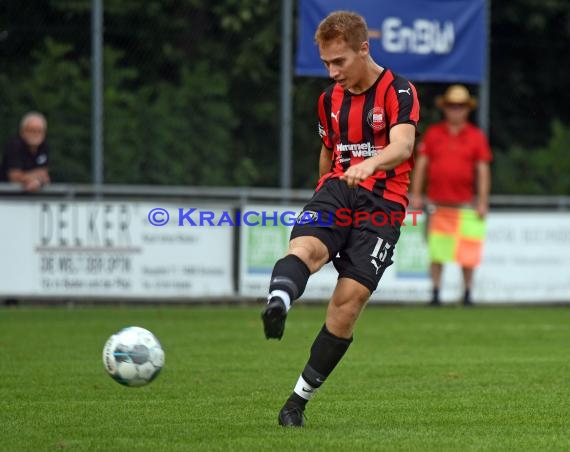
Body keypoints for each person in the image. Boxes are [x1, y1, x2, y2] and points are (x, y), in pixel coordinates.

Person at [260, 11, 420, 427]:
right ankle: (278, 299)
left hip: (383, 208)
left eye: (340, 62)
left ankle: (296, 402)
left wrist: (371, 165)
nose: (333, 72)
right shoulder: (329, 100)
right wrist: (320, 193)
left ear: (363, 49)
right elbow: (328, 151)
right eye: (327, 63)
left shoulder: (399, 90)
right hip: (337, 191)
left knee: (347, 305)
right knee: (305, 249)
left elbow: (402, 147)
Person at [411, 85, 492, 307]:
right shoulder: (434, 134)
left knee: (468, 250)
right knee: (437, 250)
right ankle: (436, 292)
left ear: (467, 109)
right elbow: (422, 165)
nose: (456, 110)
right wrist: (416, 194)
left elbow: (482, 170)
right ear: (445, 108)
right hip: (436, 203)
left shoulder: (476, 136)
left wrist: (483, 201)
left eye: (460, 106)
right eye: (452, 106)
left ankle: (467, 293)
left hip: (465, 204)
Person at [1, 111, 50, 192]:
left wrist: (37, 181)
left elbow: (45, 176)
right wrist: (33, 178)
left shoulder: (44, 147)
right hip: (6, 195)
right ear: (22, 132)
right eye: (32, 130)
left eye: (39, 131)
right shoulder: (15, 146)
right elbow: (14, 177)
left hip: (31, 196)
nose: (35, 134)